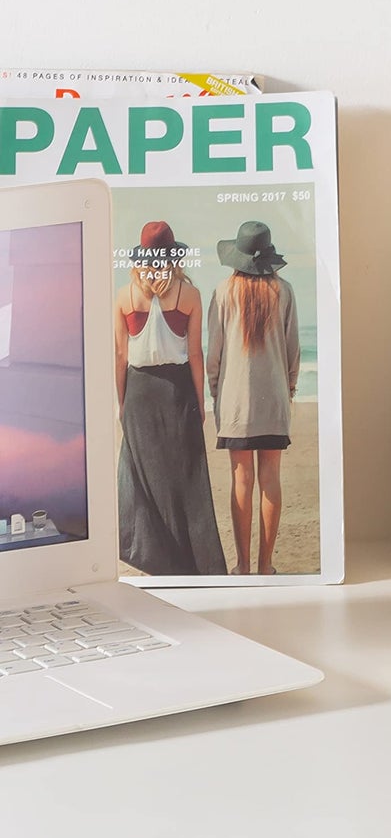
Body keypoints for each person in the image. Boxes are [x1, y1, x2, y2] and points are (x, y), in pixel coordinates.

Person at [114, 221, 226, 576]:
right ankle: (195, 563)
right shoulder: (188, 295)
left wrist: (121, 402)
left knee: (141, 477)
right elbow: (194, 354)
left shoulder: (125, 296)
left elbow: (120, 355)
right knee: (185, 479)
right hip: (177, 391)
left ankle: (155, 558)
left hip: (139, 391)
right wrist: (201, 401)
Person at [207, 221, 300, 577]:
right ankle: (266, 565)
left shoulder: (223, 291)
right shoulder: (284, 291)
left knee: (241, 480)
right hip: (274, 398)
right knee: (271, 478)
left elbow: (214, 353)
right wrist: (289, 391)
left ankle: (242, 565)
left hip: (235, 402)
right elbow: (293, 351)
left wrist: (217, 393)